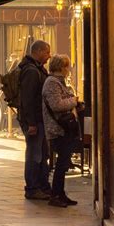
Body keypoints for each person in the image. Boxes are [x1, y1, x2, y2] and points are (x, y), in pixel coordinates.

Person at [42, 53, 79, 207]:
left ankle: (60, 193)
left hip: (63, 129)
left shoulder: (59, 82)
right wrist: (73, 101)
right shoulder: (52, 83)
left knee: (64, 163)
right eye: (66, 66)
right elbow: (57, 105)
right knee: (61, 163)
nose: (69, 69)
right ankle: (56, 195)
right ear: (60, 67)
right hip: (57, 129)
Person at [18, 39, 52, 200]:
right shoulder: (31, 71)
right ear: (38, 52)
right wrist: (31, 123)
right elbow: (28, 99)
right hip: (35, 121)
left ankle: (42, 185)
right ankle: (32, 188)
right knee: (34, 155)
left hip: (39, 120)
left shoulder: (37, 69)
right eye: (46, 52)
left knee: (42, 153)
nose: (49, 56)